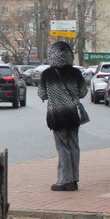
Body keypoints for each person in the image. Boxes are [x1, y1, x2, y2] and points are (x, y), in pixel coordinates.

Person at [40, 41, 88, 191]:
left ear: (52, 55)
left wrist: (54, 95)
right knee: (74, 146)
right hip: (73, 114)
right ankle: (74, 179)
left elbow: (42, 94)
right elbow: (83, 92)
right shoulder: (76, 73)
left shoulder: (47, 74)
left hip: (56, 115)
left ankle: (64, 180)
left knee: (62, 147)